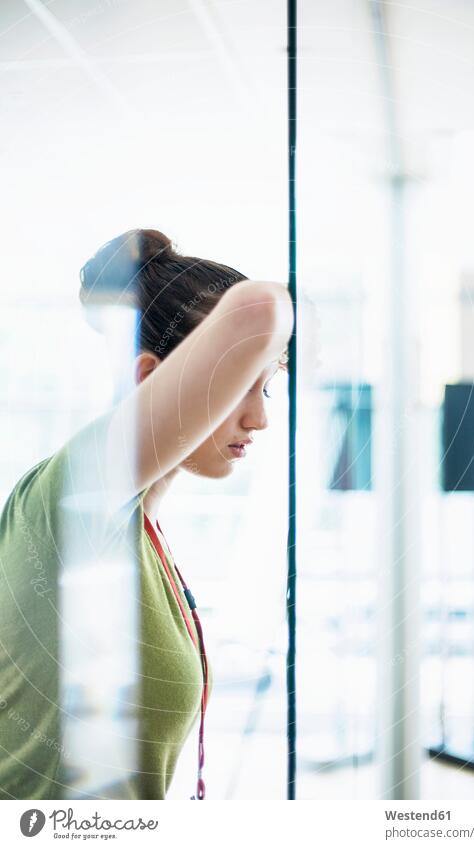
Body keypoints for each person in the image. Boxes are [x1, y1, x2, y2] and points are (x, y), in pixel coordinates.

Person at [0, 229, 294, 801]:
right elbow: (260, 309)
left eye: (267, 388)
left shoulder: (138, 531)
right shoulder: (77, 494)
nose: (258, 419)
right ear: (149, 380)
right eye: (238, 386)